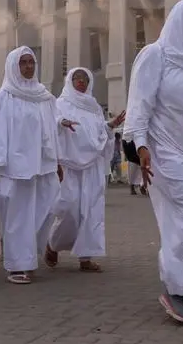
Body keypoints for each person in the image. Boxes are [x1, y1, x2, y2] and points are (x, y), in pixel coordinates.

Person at [123, 0, 183, 325]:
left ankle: (182, 287)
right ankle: (175, 290)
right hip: (166, 153)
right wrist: (140, 146)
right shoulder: (156, 55)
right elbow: (140, 104)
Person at [0, 46, 72, 285]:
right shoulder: (3, 98)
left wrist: (58, 161)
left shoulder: (44, 97)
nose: (28, 67)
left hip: (43, 165)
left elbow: (52, 131)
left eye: (31, 62)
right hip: (15, 167)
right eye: (23, 63)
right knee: (19, 216)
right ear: (13, 66)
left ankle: (25, 253)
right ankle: (18, 264)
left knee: (46, 209)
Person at [45, 67, 124, 273]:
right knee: (69, 209)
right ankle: (53, 244)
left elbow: (99, 132)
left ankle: (86, 257)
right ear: (70, 80)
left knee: (91, 212)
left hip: (93, 167)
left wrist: (110, 125)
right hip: (70, 165)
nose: (81, 81)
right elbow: (50, 124)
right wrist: (61, 122)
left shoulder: (94, 107)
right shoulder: (60, 103)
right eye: (77, 78)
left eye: (84, 78)